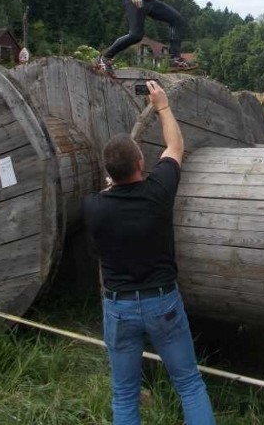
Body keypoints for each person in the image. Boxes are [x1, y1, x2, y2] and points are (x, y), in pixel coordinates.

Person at [83, 80, 214, 425]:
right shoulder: (159, 192)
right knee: (188, 383)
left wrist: (112, 183)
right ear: (142, 162)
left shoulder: (94, 207)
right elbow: (175, 145)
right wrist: (162, 105)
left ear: (109, 175)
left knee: (124, 393)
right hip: (162, 302)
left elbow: (107, 194)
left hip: (120, 307)